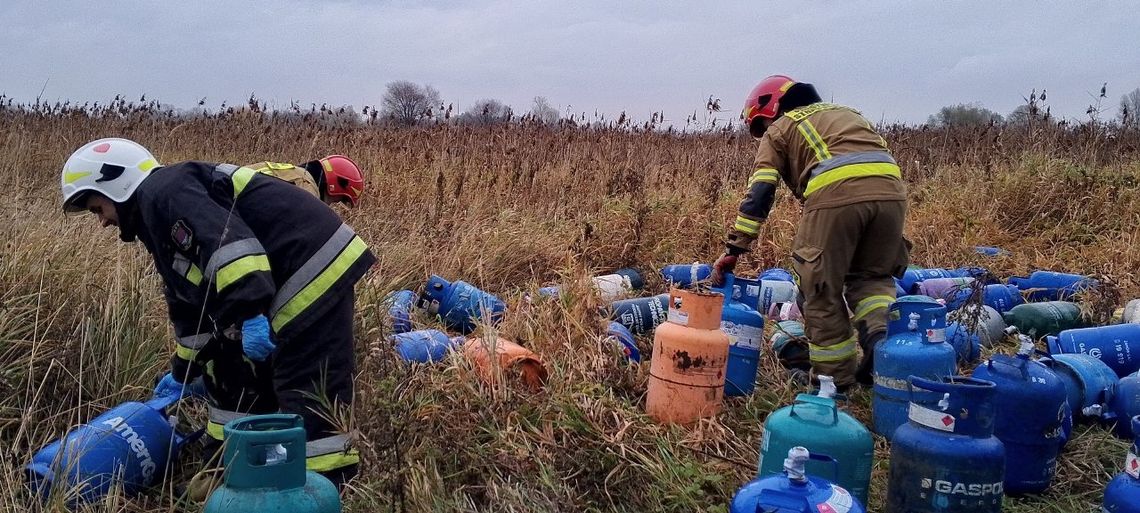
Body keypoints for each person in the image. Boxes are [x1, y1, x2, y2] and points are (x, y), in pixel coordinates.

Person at [60, 137, 376, 490]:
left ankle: (323, 488)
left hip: (310, 269)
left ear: (114, 184)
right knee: (230, 373)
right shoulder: (156, 215)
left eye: (96, 208)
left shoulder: (166, 192)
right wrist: (184, 369)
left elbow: (233, 253)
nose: (102, 222)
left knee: (307, 386)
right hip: (282, 279)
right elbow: (190, 305)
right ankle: (229, 469)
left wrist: (251, 314)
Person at [711, 75, 911, 390]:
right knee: (873, 279)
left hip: (836, 197)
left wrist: (735, 249)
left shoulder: (781, 127)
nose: (763, 133)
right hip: (892, 197)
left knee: (819, 289)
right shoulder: (849, 113)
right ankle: (883, 347)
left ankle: (835, 384)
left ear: (771, 108)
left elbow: (761, 191)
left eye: (761, 126)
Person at [242, 155, 364, 206]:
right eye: (341, 198)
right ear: (334, 186)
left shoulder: (296, 174)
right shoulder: (306, 189)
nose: (336, 203)